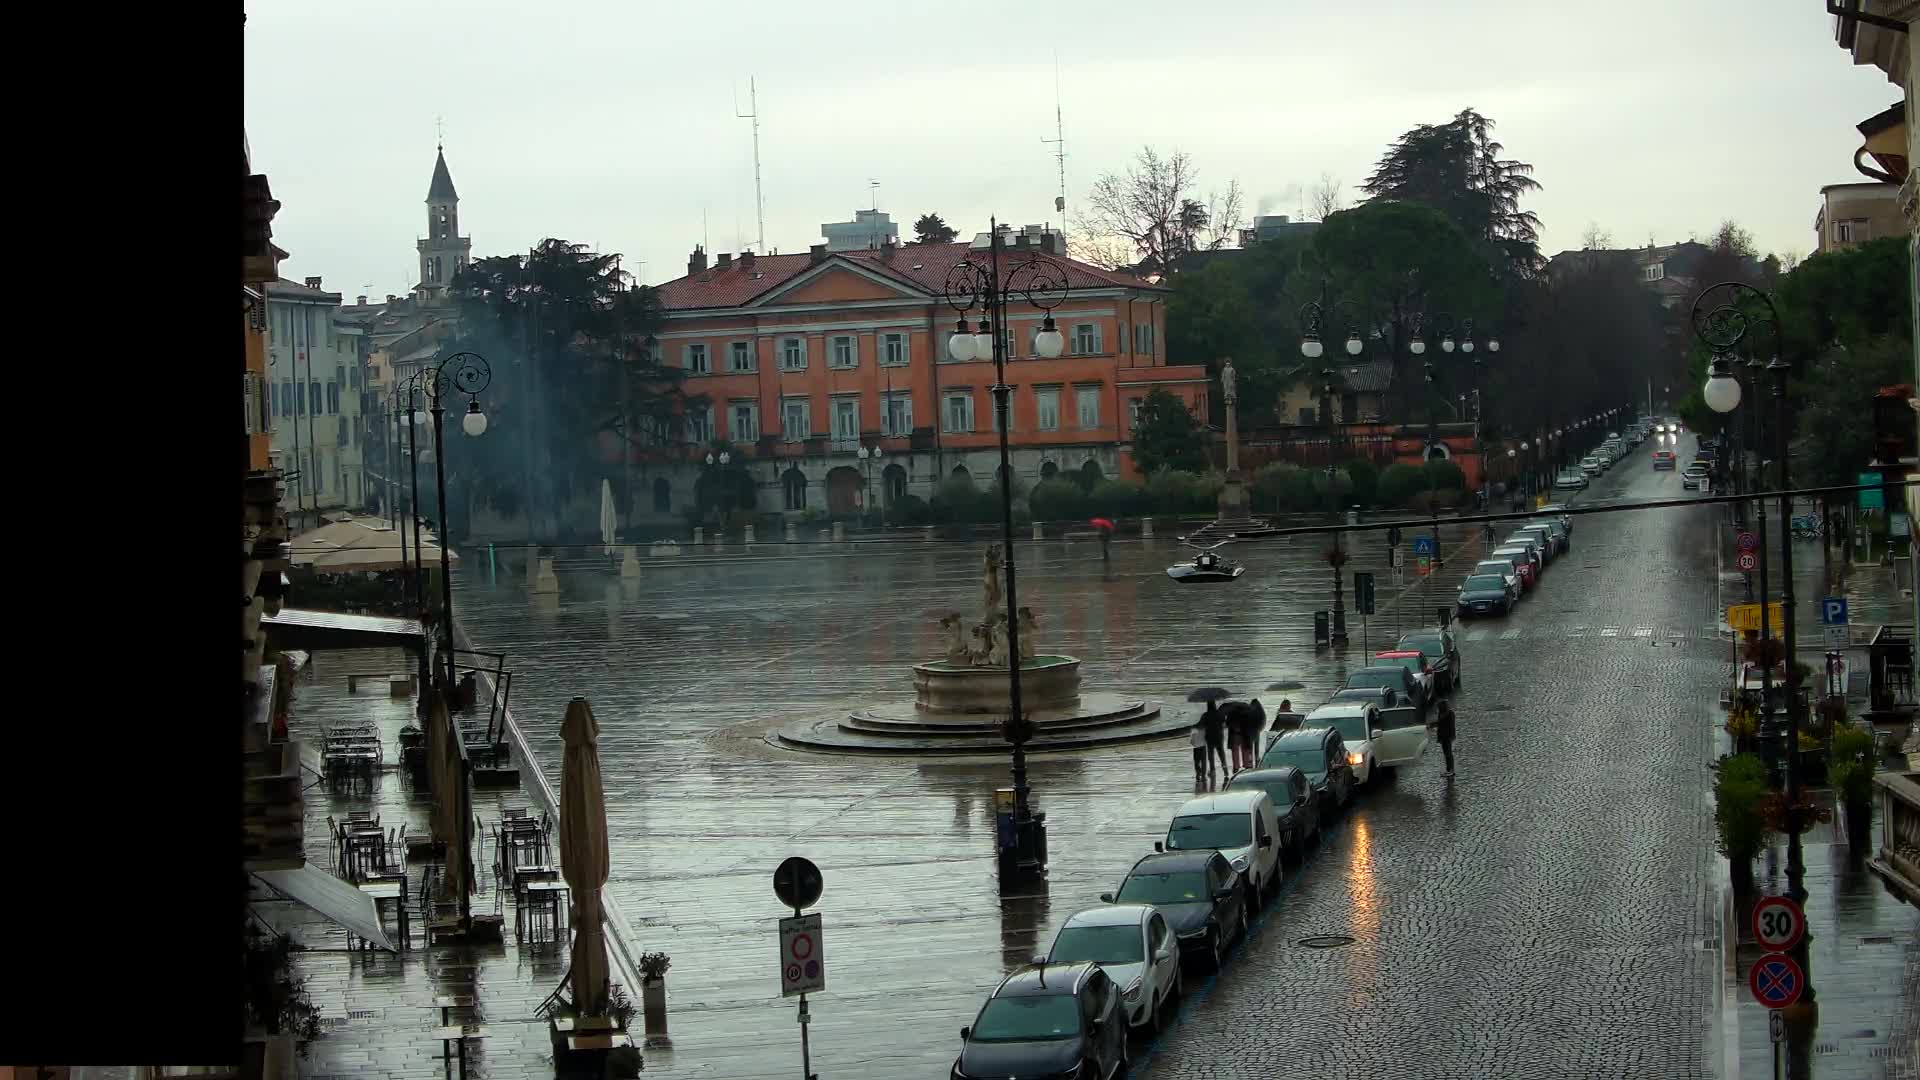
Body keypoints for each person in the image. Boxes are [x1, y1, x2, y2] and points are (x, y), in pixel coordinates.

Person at [1200, 701, 1228, 783]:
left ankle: (1213, 771)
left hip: (1210, 738)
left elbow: (1201, 725)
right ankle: (1225, 770)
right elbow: (1224, 721)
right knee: (1222, 754)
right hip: (1219, 737)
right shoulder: (1220, 714)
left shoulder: (1205, 715)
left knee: (1211, 756)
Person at [1435, 698, 1457, 776]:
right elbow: (1439, 723)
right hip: (1443, 736)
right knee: (1446, 753)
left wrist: (1450, 736)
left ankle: (1451, 770)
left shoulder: (1450, 714)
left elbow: (1450, 727)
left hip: (1447, 736)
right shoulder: (1441, 713)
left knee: (1448, 753)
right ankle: (1448, 769)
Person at [1189, 718, 1209, 784]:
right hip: (1203, 746)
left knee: (1196, 762)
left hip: (1196, 747)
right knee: (1203, 762)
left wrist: (1194, 744)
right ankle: (1203, 776)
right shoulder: (1205, 729)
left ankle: (1198, 774)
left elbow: (1191, 741)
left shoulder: (1193, 729)